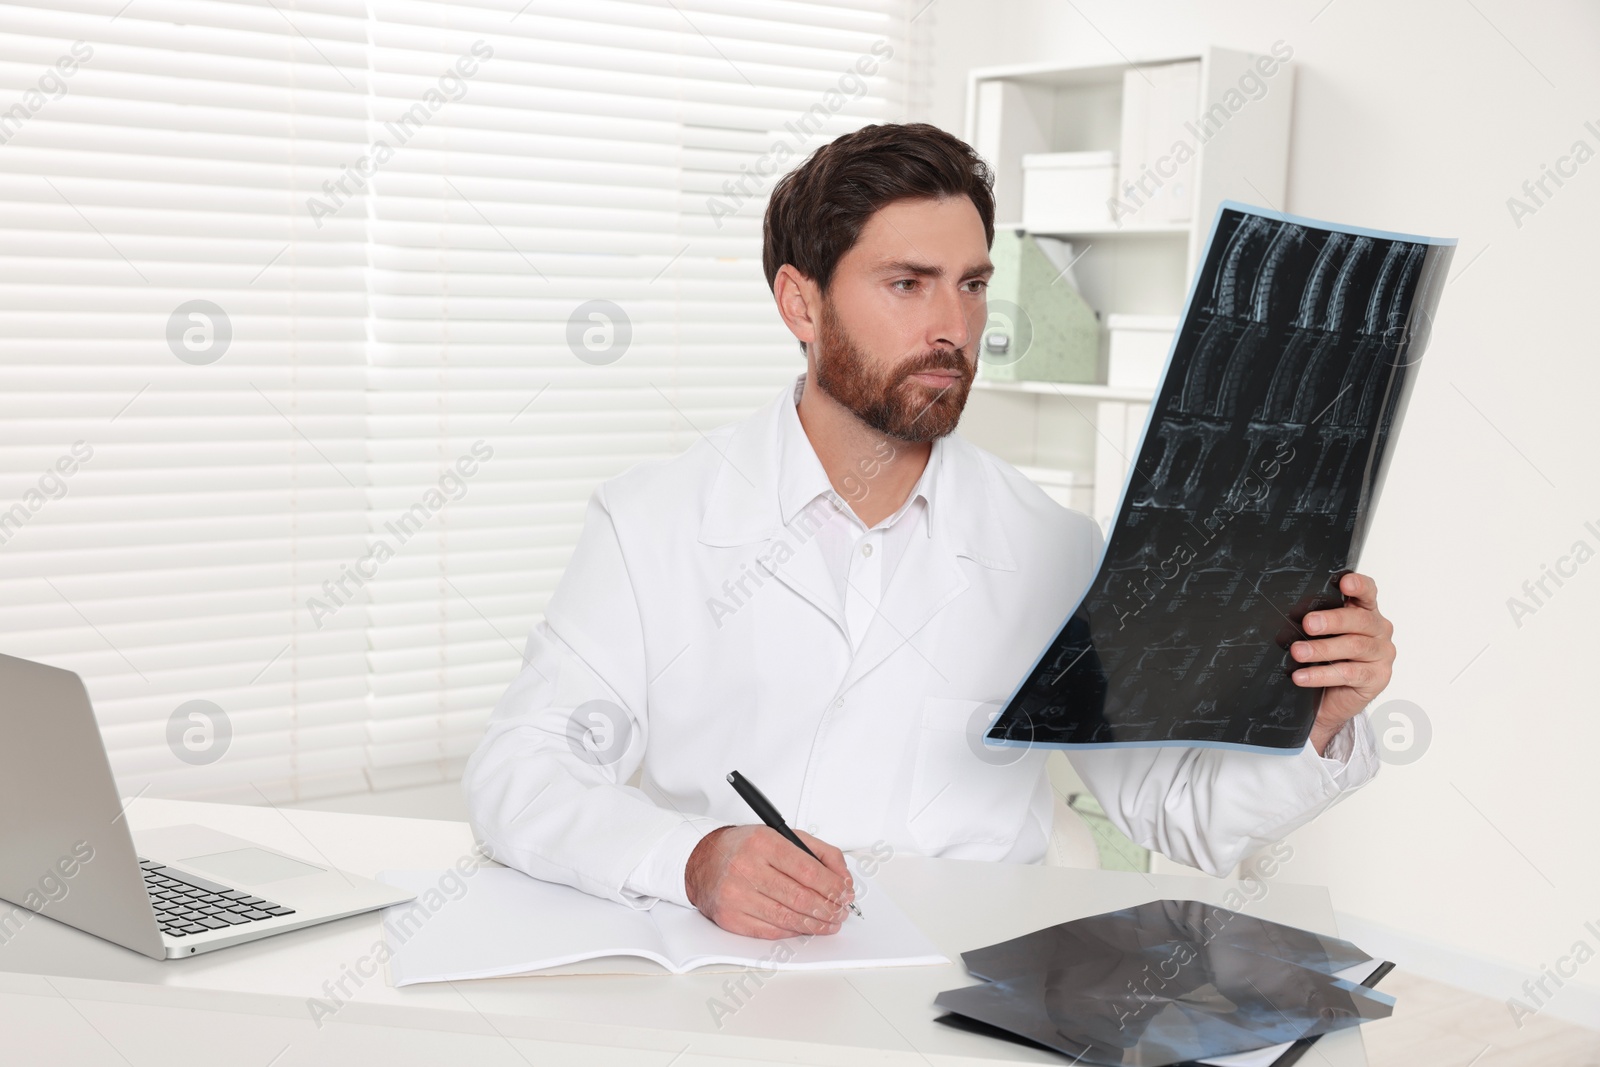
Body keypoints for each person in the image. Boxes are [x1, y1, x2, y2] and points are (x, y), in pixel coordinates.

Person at [463, 123, 1391, 940]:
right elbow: (522, 768)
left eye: (974, 285)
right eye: (907, 284)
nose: (955, 327)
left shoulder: (1051, 546)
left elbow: (1178, 809)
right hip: (721, 985)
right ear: (800, 302)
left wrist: (1320, 719)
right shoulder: (653, 521)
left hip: (962, 999)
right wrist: (690, 857)